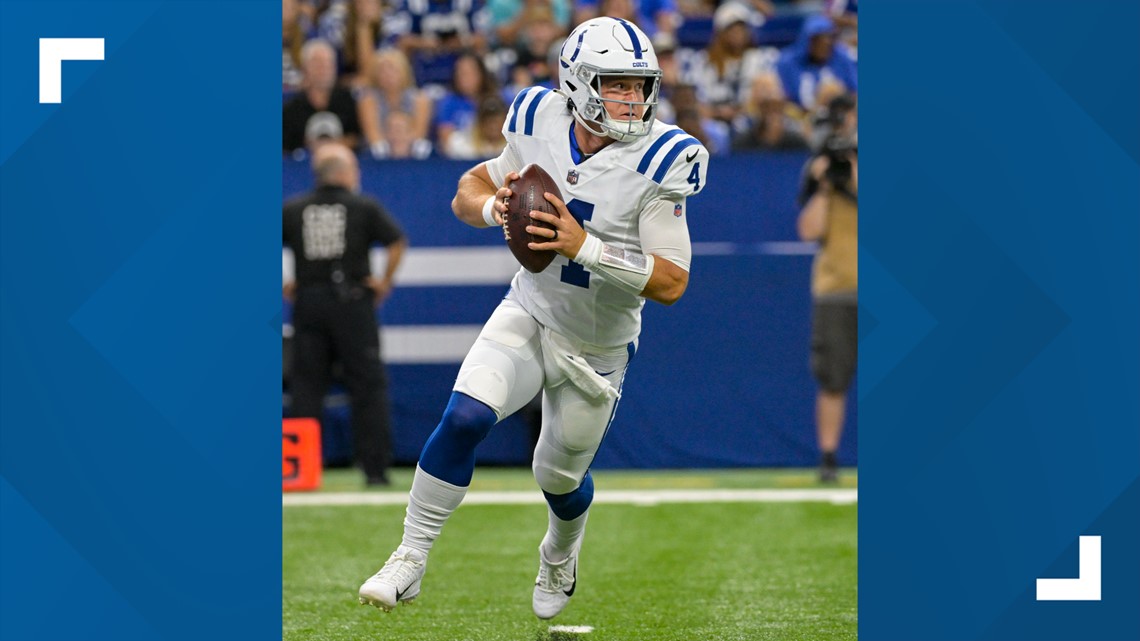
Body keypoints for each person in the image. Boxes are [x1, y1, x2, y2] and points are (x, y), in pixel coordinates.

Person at [358, 16, 708, 619]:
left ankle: (559, 552)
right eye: (616, 85)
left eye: (639, 85)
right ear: (576, 83)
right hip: (530, 308)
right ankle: (409, 558)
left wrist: (583, 246)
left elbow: (672, 282)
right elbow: (469, 187)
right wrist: (495, 206)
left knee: (558, 477)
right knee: (465, 416)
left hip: (597, 347)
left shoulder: (663, 157)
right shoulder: (535, 118)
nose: (633, 99)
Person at [283, 142, 407, 486]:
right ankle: (375, 469)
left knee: (306, 385)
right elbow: (397, 241)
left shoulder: (295, 208)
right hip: (352, 302)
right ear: (342, 174)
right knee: (367, 384)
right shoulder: (362, 206)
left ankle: (299, 468)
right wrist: (383, 282)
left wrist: (287, 284)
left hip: (309, 302)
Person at [796, 93, 857, 483]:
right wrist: (824, 186)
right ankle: (829, 458)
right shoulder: (821, 172)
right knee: (832, 377)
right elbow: (808, 231)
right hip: (836, 285)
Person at [283, 39, 363, 153]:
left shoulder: (348, 100)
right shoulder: (292, 108)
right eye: (317, 63)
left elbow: (359, 138)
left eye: (328, 63)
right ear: (305, 69)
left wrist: (335, 145)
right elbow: (286, 149)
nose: (323, 69)